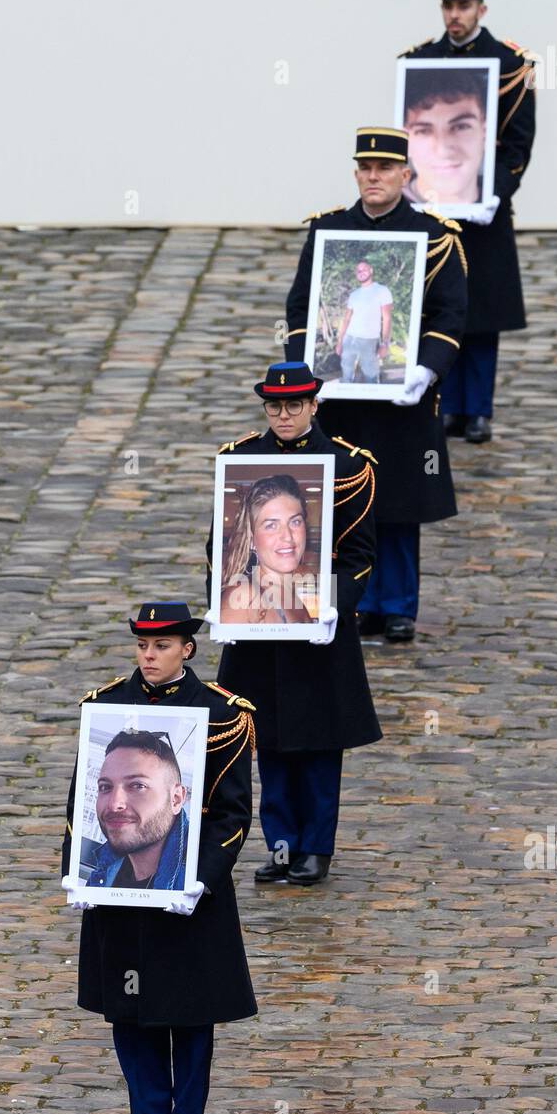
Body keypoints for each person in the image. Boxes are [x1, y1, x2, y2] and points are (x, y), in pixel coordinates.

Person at [60, 602, 257, 1114]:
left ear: (187, 649)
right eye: (143, 646)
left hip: (189, 892)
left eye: (163, 646)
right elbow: (82, 799)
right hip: (119, 890)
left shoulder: (223, 713)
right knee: (130, 1008)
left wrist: (200, 880)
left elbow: (232, 814)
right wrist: (77, 868)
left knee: (190, 1011)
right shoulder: (104, 705)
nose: (150, 656)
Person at [285, 126, 467, 642]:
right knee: (344, 501)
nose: (374, 176)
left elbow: (450, 313)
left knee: (398, 502)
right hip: (340, 397)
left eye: (385, 168)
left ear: (406, 175)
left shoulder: (434, 236)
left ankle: (399, 606)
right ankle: (354, 604)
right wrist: (305, 374)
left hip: (401, 397)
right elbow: (302, 308)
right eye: (365, 168)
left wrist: (425, 369)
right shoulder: (329, 232)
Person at [206, 361, 381, 886]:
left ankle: (316, 849)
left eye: (295, 405)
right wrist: (223, 602)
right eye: (275, 406)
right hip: (257, 626)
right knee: (271, 741)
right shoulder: (240, 460)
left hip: (319, 631)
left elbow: (361, 555)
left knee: (320, 744)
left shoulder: (347, 465)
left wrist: (336, 605)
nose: (284, 415)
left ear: (314, 406)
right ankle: (281, 846)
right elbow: (220, 546)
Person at [399, 0, 536, 444]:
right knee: (438, 307)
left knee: (481, 312)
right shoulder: (422, 61)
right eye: (448, 6)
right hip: (434, 207)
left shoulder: (511, 65)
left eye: (464, 6)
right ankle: (446, 405)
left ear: (482, 8)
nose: (455, 15)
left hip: (483, 211)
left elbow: (517, 145)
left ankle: (477, 410)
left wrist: (489, 194)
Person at [85, 730, 189, 890]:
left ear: (175, 800)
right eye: (105, 787)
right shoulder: (104, 872)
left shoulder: (198, 873)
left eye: (138, 786)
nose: (114, 805)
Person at [220, 473, 313, 623]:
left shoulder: (289, 593)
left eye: (295, 522)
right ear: (251, 540)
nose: (288, 536)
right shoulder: (245, 596)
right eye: (271, 525)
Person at [403, 69, 488, 207]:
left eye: (461, 127)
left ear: (485, 132)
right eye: (424, 131)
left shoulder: (499, 205)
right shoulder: (387, 213)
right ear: (405, 140)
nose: (443, 151)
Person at [336, 260, 393, 384]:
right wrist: (340, 341)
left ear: (371, 271)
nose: (361, 272)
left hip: (369, 340)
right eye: (358, 271)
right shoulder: (354, 295)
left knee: (371, 378)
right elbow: (346, 319)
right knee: (346, 376)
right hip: (349, 339)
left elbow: (387, 318)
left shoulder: (382, 290)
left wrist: (385, 344)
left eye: (364, 269)